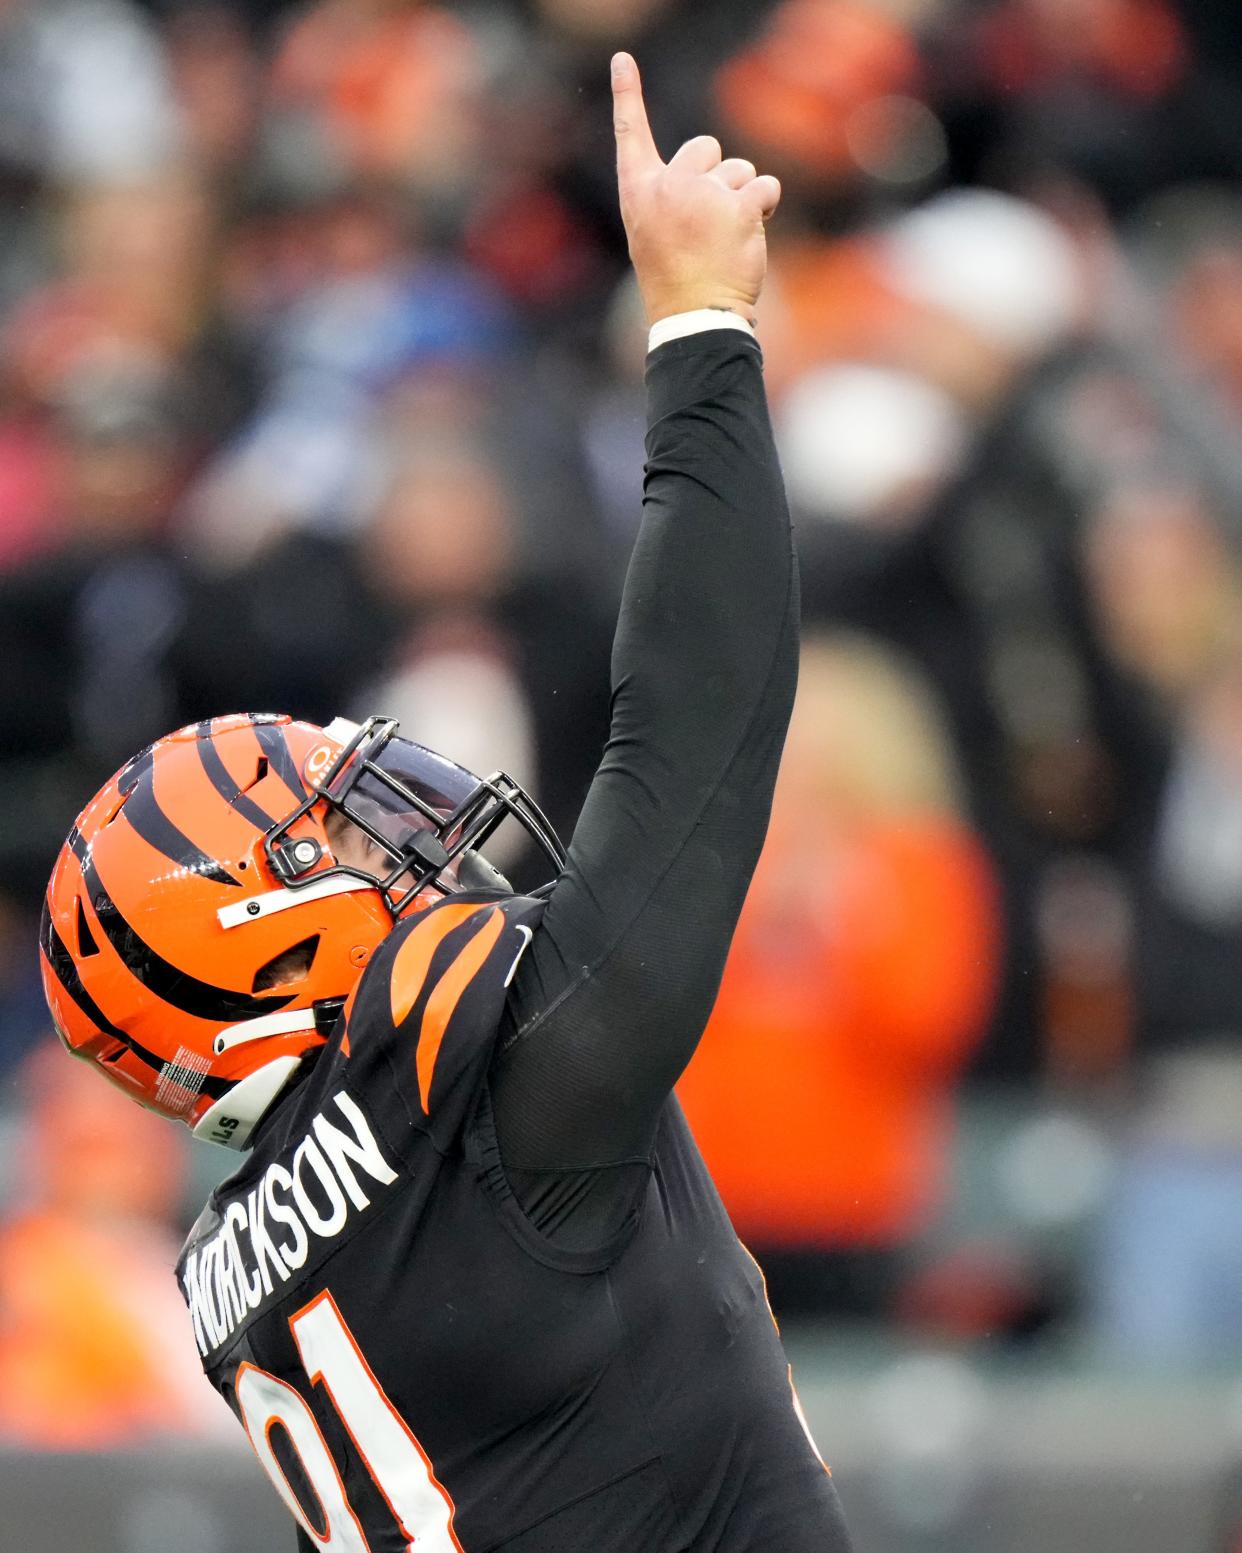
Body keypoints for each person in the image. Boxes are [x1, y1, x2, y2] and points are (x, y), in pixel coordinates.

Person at [39, 54, 853, 1553]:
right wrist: (697, 327)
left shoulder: (240, 1268)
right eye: (336, 833)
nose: (401, 837)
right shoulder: (460, 1087)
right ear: (257, 938)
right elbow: (699, 719)